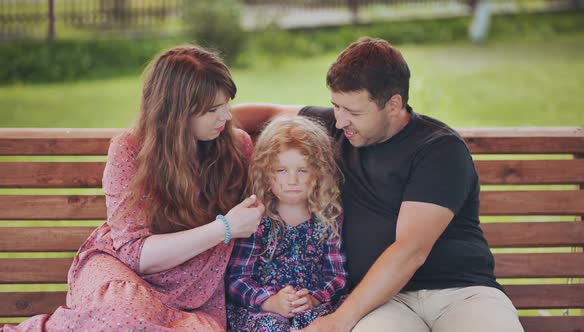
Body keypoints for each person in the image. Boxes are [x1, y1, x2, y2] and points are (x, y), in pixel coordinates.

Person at [233, 37, 524, 332]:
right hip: (383, 303)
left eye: (354, 112)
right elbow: (266, 115)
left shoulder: (439, 149)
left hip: (460, 293)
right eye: (336, 106)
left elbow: (410, 250)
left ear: (393, 104)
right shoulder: (338, 127)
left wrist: (337, 322)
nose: (341, 120)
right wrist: (201, 128)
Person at [3, 45, 264, 331]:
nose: (226, 116)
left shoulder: (236, 147)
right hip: (124, 273)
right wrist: (225, 228)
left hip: (196, 287)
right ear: (176, 112)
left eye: (227, 104)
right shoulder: (128, 150)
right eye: (213, 109)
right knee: (124, 315)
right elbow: (136, 255)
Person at [225, 116, 348, 331]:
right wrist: (269, 301)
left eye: (302, 170)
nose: (292, 180)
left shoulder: (328, 218)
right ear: (266, 174)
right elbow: (236, 278)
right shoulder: (255, 219)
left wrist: (314, 299)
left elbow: (337, 276)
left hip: (312, 308)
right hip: (262, 310)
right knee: (271, 327)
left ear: (319, 174)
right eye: (281, 170)